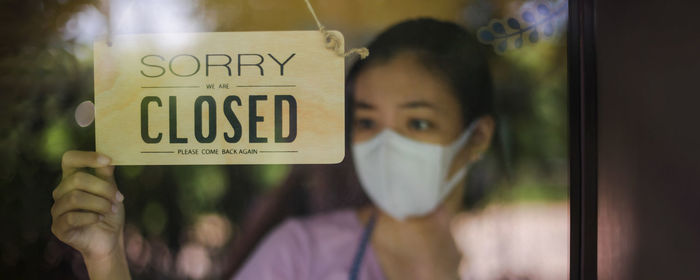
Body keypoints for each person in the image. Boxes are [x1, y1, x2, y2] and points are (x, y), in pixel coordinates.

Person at [51, 18, 495, 280]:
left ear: (477, 138)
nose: (386, 143)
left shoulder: (526, 260)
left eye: (417, 122)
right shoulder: (300, 255)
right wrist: (106, 258)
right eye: (366, 121)